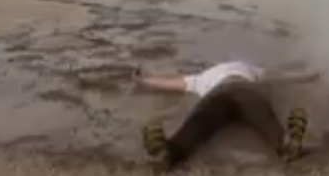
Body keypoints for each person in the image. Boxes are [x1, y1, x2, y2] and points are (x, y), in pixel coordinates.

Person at [134, 60, 319, 172]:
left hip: (218, 93)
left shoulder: (202, 77)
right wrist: (311, 76)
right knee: (266, 119)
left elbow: (171, 84)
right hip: (248, 90)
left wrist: (143, 80)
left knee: (197, 124)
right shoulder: (252, 69)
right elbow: (283, 77)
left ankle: (169, 151)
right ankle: (286, 143)